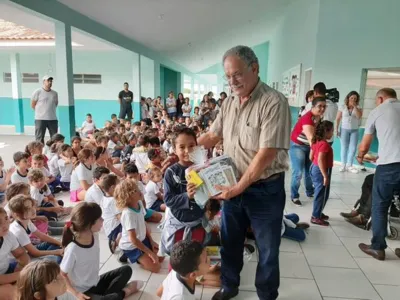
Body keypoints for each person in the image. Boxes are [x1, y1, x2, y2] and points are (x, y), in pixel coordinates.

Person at [197, 45, 291, 300]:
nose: (232, 81)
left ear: (255, 68)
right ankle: (229, 286)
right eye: (227, 76)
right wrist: (187, 147)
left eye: (236, 74)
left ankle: (266, 294)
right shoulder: (228, 104)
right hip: (231, 186)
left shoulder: (274, 102)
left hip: (264, 189)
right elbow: (214, 134)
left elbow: (267, 153)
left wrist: (239, 188)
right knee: (230, 241)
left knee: (268, 248)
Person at [60, 202, 143, 299]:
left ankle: (107, 296)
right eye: (100, 218)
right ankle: (125, 292)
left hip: (96, 282)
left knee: (126, 270)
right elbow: (62, 275)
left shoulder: (95, 236)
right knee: (109, 298)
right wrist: (76, 293)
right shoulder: (73, 248)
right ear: (90, 224)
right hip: (83, 292)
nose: (103, 220)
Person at [356, 88, 400, 261]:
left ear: (380, 99)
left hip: (389, 166)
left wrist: (360, 156)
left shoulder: (378, 111)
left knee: (380, 205)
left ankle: (378, 248)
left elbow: (365, 144)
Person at [114, 180, 163, 273]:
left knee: (161, 257)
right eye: (136, 191)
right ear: (128, 197)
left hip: (142, 239)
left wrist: (151, 241)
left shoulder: (139, 203)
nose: (140, 192)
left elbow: (143, 223)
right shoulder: (128, 214)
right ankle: (127, 254)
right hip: (131, 245)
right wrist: (149, 252)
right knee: (156, 268)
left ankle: (141, 256)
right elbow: (133, 240)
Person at [289, 97, 326, 206]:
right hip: (297, 146)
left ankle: (310, 192)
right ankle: (294, 196)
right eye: (320, 106)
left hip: (308, 146)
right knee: (298, 172)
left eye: (324, 106)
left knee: (309, 171)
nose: (322, 108)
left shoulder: (318, 117)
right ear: (313, 106)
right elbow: (311, 138)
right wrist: (318, 153)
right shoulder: (307, 118)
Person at [8, 195, 63, 263]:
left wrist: (60, 243)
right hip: (23, 259)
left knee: (55, 243)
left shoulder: (27, 221)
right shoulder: (18, 231)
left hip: (29, 251)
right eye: (27, 208)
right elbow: (35, 253)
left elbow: (41, 236)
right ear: (17, 214)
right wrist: (56, 252)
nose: (33, 210)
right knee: (55, 259)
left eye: (32, 206)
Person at [0, 207, 30, 300]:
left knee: (37, 271)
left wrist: (20, 267)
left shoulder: (8, 235)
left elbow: (21, 254)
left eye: (6, 218)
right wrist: (20, 276)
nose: (5, 224)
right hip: (3, 278)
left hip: (7, 270)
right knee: (9, 291)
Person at [309, 121, 334, 226]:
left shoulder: (316, 141)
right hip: (322, 170)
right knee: (322, 194)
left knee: (321, 193)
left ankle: (318, 212)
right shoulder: (325, 145)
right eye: (332, 131)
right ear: (326, 131)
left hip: (314, 168)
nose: (333, 133)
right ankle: (315, 216)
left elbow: (311, 157)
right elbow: (320, 160)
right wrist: (325, 176)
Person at [336, 91, 363, 173]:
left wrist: (355, 107)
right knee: (344, 147)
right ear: (348, 98)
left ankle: (349, 165)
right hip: (344, 129)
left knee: (353, 148)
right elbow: (338, 118)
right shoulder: (342, 106)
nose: (353, 100)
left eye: (355, 98)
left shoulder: (358, 107)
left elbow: (359, 117)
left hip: (355, 130)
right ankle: (343, 165)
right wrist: (336, 129)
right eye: (352, 98)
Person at [31, 75, 59, 144]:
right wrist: (41, 112)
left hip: (52, 118)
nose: (50, 82)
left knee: (55, 138)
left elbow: (55, 104)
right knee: (39, 138)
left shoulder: (54, 93)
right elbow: (33, 104)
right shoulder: (37, 92)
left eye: (51, 81)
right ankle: (39, 154)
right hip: (40, 119)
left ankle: (53, 152)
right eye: (48, 81)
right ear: (44, 82)